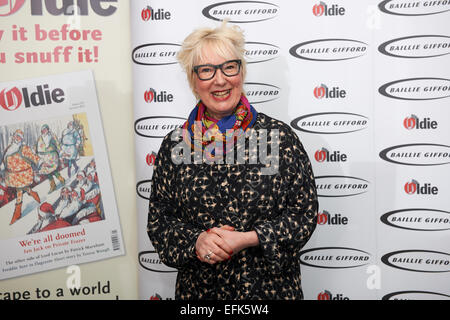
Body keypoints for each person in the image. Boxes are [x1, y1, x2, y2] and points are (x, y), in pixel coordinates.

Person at [147, 22, 318, 300]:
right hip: (201, 295)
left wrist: (251, 238)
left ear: (241, 71)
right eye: (206, 70)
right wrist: (196, 241)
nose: (220, 80)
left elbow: (304, 215)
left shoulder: (277, 138)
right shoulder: (176, 145)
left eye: (229, 67)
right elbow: (160, 222)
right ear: (193, 81)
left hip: (269, 293)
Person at [0, 129, 41, 225]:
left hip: (23, 174)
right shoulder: (9, 148)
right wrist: (2, 167)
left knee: (19, 191)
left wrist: (40, 162)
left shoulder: (24, 148)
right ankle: (32, 192)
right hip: (13, 176)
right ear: (13, 136)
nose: (17, 138)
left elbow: (33, 157)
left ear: (21, 139)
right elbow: (5, 160)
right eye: (16, 136)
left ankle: (17, 212)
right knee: (21, 188)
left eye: (19, 137)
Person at [36, 124, 65, 193]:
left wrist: (61, 152)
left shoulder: (52, 136)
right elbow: (37, 146)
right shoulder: (40, 138)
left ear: (48, 129)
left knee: (53, 169)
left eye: (45, 129)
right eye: (43, 129)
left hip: (52, 156)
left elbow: (57, 144)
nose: (44, 131)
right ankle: (53, 185)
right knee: (47, 171)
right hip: (44, 157)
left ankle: (61, 179)